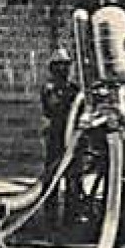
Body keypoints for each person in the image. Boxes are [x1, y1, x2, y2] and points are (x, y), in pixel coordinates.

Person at [39, 47, 81, 232]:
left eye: (66, 66)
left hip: (72, 139)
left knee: (73, 180)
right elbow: (51, 109)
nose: (64, 70)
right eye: (60, 66)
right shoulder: (49, 89)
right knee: (52, 179)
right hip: (56, 137)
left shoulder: (74, 89)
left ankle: (71, 219)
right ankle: (50, 220)